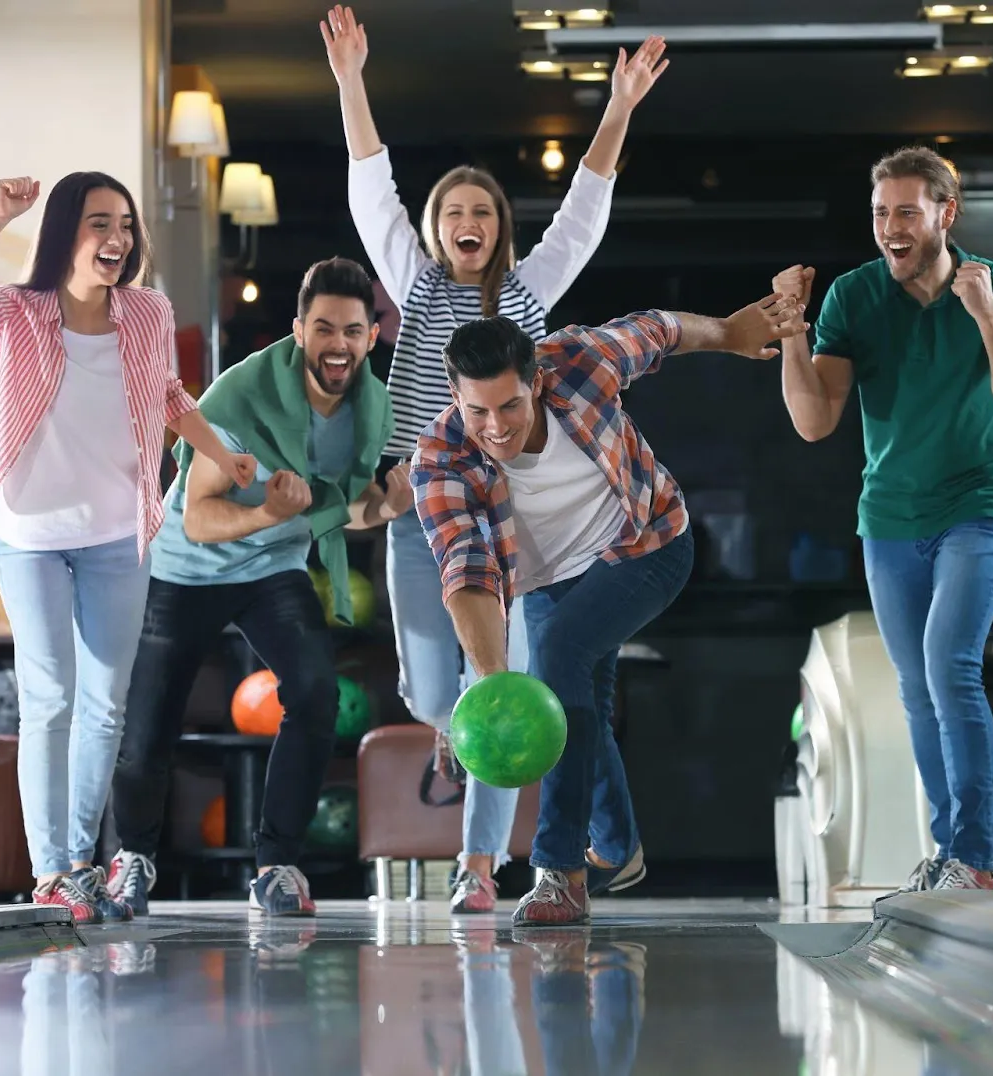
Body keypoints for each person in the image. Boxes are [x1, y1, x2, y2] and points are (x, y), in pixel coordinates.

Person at [320, 2, 669, 913]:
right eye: (453, 211)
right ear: (435, 230)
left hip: (516, 526)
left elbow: (585, 214)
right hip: (418, 514)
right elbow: (370, 191)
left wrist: (619, 105)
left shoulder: (528, 292)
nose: (468, 219)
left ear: (499, 227)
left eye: (482, 209)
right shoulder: (414, 282)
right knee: (436, 692)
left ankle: (480, 869)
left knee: (503, 686)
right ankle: (468, 745)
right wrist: (352, 80)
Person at [0, 173, 255, 922]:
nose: (118, 238)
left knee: (104, 706)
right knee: (50, 700)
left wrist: (219, 452)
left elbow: (167, 393)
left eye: (126, 225)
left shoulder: (146, 311)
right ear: (66, 231)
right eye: (100, 222)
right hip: (30, 532)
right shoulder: (15, 311)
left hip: (115, 533)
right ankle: (49, 872)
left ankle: (78, 861)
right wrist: (0, 213)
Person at [412, 293, 805, 925]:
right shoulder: (440, 458)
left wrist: (728, 329)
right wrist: (495, 688)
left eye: (511, 404)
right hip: (545, 585)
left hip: (648, 544)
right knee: (570, 703)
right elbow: (467, 571)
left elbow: (661, 328)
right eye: (477, 409)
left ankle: (560, 872)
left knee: (562, 658)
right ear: (456, 397)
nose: (497, 426)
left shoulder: (578, 361)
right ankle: (618, 848)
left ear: (535, 381)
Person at [772, 146, 993, 896]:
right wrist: (792, 328)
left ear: (945, 214)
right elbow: (814, 420)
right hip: (889, 515)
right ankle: (951, 851)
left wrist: (984, 312)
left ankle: (976, 860)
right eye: (879, 214)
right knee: (918, 687)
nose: (890, 228)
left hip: (979, 504)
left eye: (905, 212)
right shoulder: (855, 298)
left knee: (950, 667)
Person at [106, 258, 404, 917]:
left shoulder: (369, 407)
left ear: (370, 337)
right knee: (151, 720)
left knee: (316, 693)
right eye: (323, 328)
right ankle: (132, 858)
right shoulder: (239, 400)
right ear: (300, 331)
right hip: (187, 569)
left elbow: (343, 505)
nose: (337, 344)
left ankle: (276, 865)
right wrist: (268, 513)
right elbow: (198, 513)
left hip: (273, 567)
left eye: (352, 331)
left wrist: (386, 506)